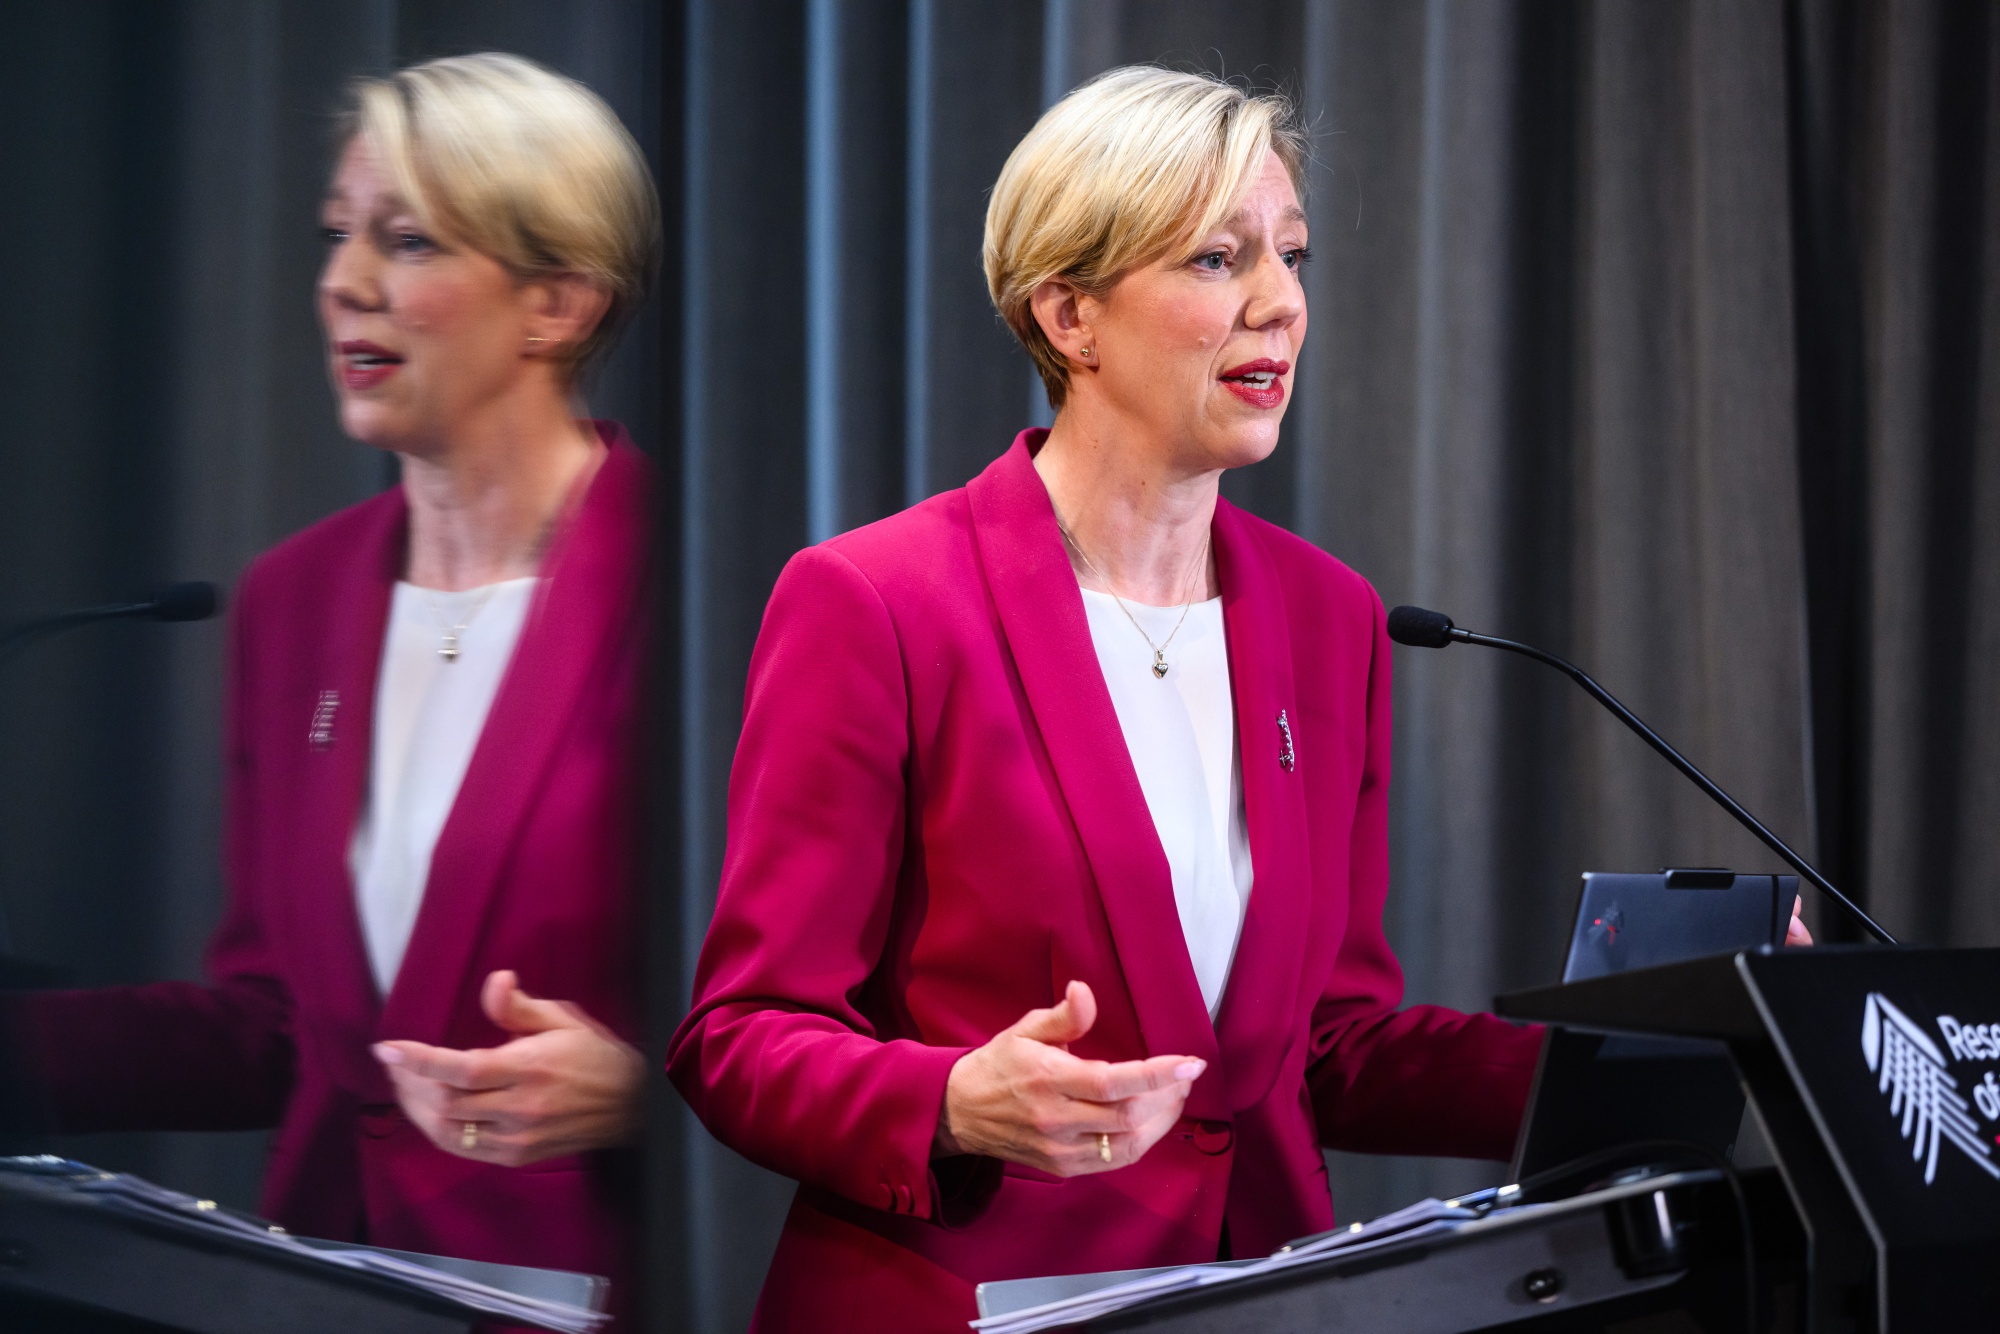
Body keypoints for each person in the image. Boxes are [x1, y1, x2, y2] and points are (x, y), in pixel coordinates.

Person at [667, 66, 1546, 1331]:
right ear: (1068, 314)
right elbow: (740, 1032)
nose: (1280, 303)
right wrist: (951, 1099)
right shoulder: (875, 599)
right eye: (1214, 258)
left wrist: (1655, 1047)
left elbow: (1330, 1044)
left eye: (1288, 256)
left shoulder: (1329, 617)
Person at [8, 52, 659, 1313]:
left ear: (559, 302)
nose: (342, 283)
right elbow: (274, 1026)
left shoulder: (715, 581)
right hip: (324, 1286)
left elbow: (842, 1015)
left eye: (407, 242)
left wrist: (651, 1090)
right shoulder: (293, 599)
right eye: (337, 235)